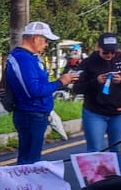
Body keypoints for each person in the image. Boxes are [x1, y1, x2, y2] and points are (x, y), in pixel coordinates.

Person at [6, 22, 78, 165]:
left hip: (35, 113)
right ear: (35, 38)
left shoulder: (29, 57)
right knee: (30, 162)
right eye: (45, 40)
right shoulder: (22, 58)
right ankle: (26, 186)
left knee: (31, 159)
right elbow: (34, 90)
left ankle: (27, 185)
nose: (46, 45)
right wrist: (60, 82)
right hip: (31, 113)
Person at [74, 33, 121, 153]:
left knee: (118, 150)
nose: (109, 55)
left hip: (119, 112)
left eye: (113, 52)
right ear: (99, 48)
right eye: (106, 52)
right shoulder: (88, 63)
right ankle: (96, 172)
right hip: (95, 112)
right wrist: (96, 82)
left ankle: (118, 172)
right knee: (95, 150)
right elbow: (77, 88)